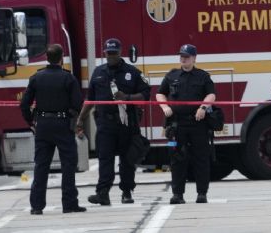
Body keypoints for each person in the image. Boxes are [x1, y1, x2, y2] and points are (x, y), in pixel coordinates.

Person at [77, 39, 150, 206]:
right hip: (105, 124)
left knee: (127, 160)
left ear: (120, 52)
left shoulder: (132, 72)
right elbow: (90, 100)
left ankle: (127, 192)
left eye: (114, 53)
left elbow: (145, 95)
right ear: (104, 53)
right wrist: (80, 120)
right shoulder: (98, 72)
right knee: (105, 159)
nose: (111, 57)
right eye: (108, 53)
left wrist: (128, 98)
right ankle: (103, 193)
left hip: (126, 124)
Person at [20, 44, 85, 215]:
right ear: (62, 58)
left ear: (47, 58)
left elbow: (24, 103)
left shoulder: (36, 77)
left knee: (41, 166)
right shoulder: (68, 78)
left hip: (42, 125)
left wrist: (30, 121)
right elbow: (78, 102)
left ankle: (36, 206)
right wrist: (72, 117)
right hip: (63, 125)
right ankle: (69, 204)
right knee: (68, 165)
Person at [156, 44, 216, 204]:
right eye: (181, 56)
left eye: (187, 56)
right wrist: (164, 106)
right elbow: (160, 93)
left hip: (198, 124)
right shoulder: (172, 75)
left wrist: (203, 107)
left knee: (201, 159)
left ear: (194, 58)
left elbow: (211, 94)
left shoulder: (202, 76)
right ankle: (177, 195)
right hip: (176, 125)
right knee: (176, 160)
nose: (183, 59)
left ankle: (202, 194)